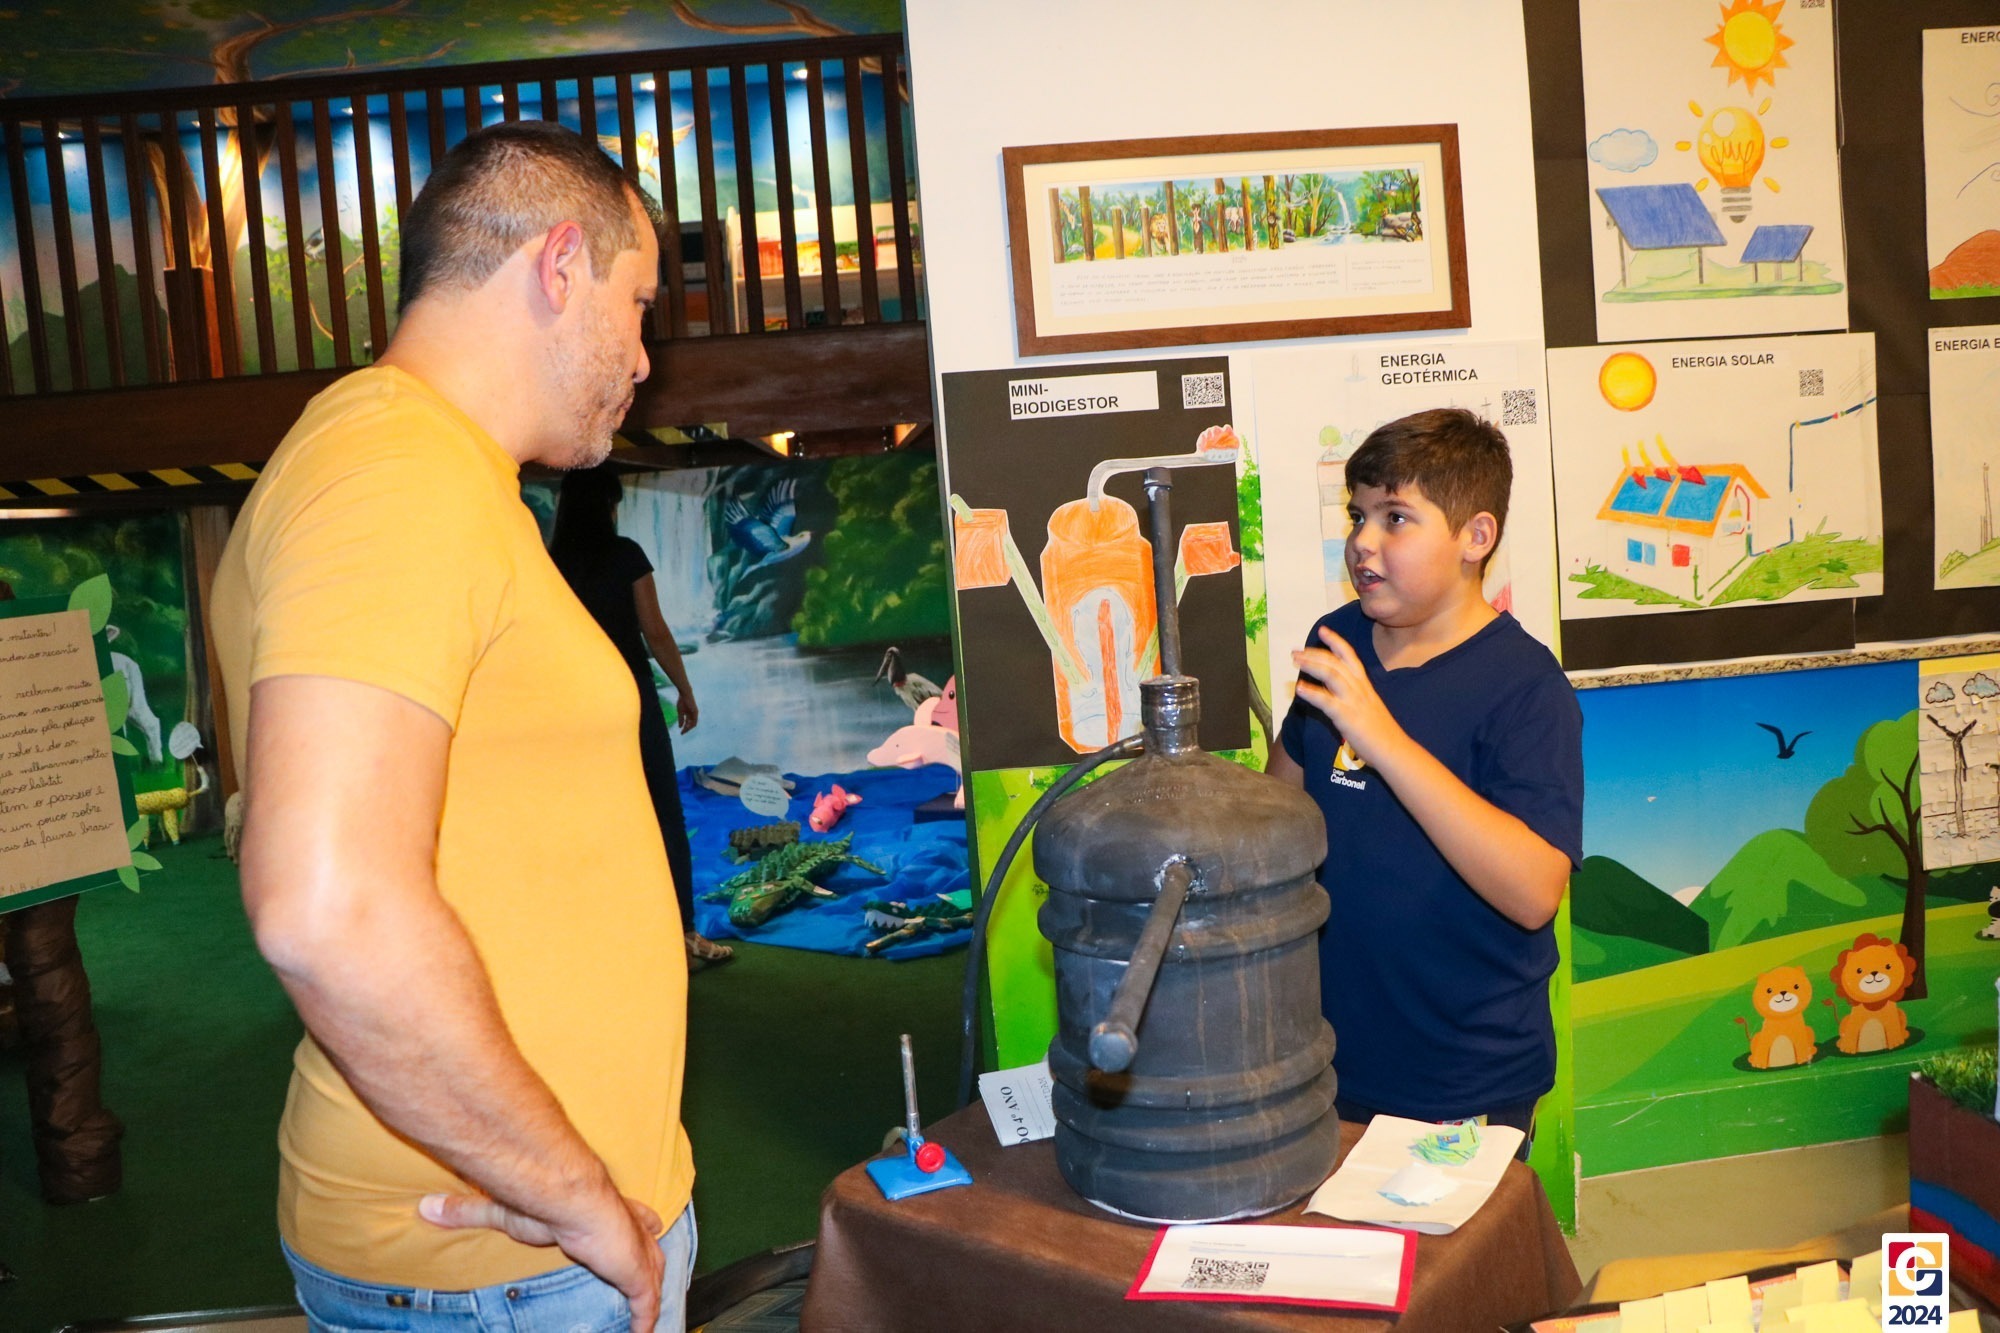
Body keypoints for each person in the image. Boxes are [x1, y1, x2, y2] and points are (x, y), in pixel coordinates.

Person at [210, 120, 695, 1330]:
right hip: (512, 1268)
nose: (645, 359)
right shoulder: (396, 471)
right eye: (639, 306)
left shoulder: (432, 472)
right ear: (560, 264)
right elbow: (325, 905)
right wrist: (570, 1191)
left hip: (530, 1258)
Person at [1266, 408, 1582, 1155]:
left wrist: (1383, 739)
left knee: (1452, 1240)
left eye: (1396, 518)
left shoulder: (1526, 686)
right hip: (1325, 1056)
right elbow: (1279, 807)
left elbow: (1534, 892)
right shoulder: (1337, 640)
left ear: (1476, 537)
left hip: (1462, 1082)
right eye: (1358, 516)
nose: (1362, 542)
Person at [550, 463, 732, 964]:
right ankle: (684, 934)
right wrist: (684, 690)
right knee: (664, 813)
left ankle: (610, 938)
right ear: (606, 506)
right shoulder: (625, 554)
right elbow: (655, 631)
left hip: (576, 703)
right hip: (630, 696)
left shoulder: (549, 563)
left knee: (596, 815)